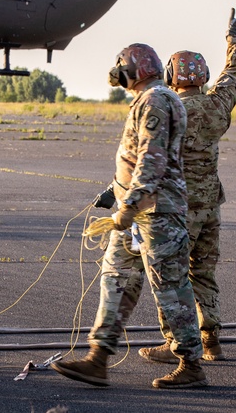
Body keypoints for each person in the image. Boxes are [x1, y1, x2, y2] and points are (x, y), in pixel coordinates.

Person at [51, 43, 208, 389]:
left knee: (170, 288)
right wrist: (116, 191)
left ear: (134, 70)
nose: (118, 74)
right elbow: (138, 157)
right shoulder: (153, 100)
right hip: (138, 213)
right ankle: (97, 358)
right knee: (116, 278)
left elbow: (152, 159)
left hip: (156, 213)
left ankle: (192, 365)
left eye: (122, 67)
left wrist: (129, 205)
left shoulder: (155, 101)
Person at [139, 7, 236, 365]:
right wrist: (232, 35)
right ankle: (212, 342)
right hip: (209, 208)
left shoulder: (168, 109)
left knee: (170, 277)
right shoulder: (217, 105)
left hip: (175, 210)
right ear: (202, 76)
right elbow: (234, 73)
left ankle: (175, 342)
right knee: (203, 273)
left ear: (172, 77)